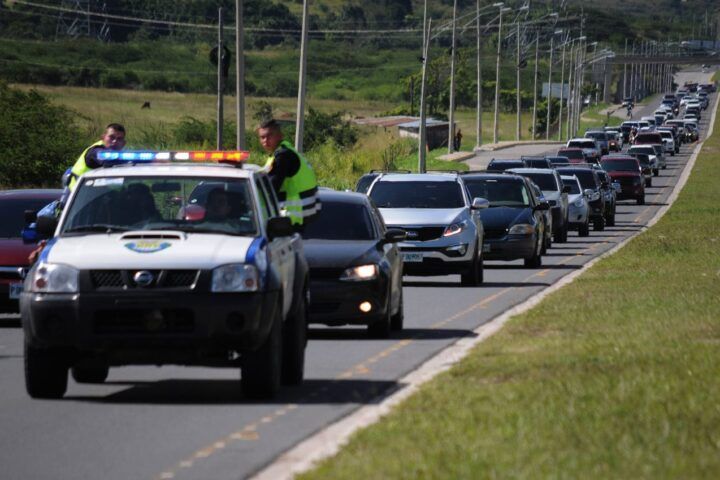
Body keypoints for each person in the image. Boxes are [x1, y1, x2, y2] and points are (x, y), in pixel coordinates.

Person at [256, 119, 319, 229]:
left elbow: (272, 187)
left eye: (269, 136)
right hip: (300, 216)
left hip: (292, 217)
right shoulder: (282, 152)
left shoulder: (283, 156)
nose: (266, 140)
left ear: (280, 136)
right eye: (262, 137)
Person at [69, 123, 126, 191]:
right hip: (78, 195)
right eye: (111, 137)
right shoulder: (95, 150)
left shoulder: (122, 155)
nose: (115, 141)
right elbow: (106, 159)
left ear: (124, 143)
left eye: (119, 139)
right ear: (103, 137)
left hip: (100, 193)